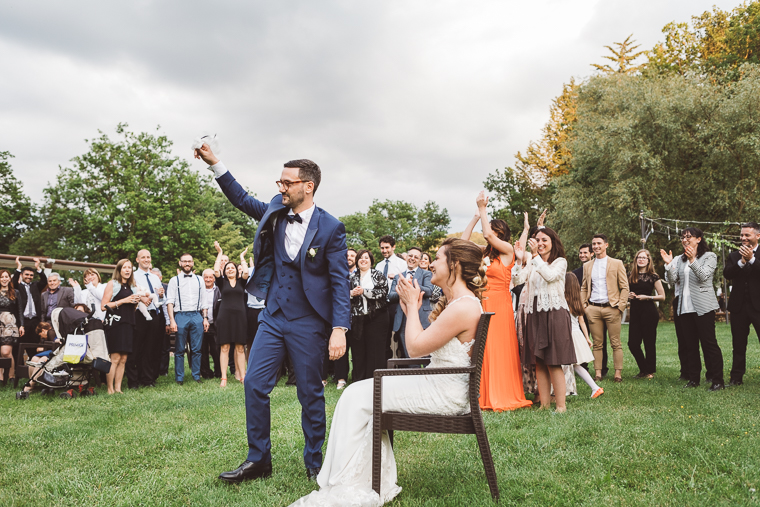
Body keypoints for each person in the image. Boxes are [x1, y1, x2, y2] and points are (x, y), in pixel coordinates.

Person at [195, 144, 350, 484]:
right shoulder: (274, 210)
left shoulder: (331, 228)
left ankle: (315, 461)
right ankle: (258, 459)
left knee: (310, 392)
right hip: (272, 316)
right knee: (254, 383)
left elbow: (340, 282)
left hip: (309, 321)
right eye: (279, 181)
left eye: (286, 182)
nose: (280, 187)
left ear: (307, 186)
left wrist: (339, 327)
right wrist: (216, 164)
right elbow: (241, 198)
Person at [290, 238, 486, 506]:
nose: (433, 264)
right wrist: (412, 307)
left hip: (442, 392)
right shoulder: (461, 302)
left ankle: (347, 481)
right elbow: (422, 343)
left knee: (356, 396)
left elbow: (415, 349)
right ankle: (358, 477)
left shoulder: (463, 306)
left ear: (455, 265)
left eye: (438, 258)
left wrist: (411, 306)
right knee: (356, 393)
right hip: (437, 382)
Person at [461, 191, 532, 412]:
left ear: (504, 235)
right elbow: (461, 243)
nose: (491, 234)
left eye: (496, 232)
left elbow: (489, 237)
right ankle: (481, 395)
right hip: (481, 303)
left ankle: (502, 393)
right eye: (491, 230)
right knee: (481, 348)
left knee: (498, 348)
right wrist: (475, 216)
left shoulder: (509, 252)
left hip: (500, 305)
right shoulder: (483, 254)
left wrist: (483, 208)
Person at [661, 228, 724, 390]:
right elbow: (672, 280)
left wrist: (693, 260)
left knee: (709, 344)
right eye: (683, 237)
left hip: (703, 307)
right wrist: (669, 265)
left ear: (698, 239)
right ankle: (694, 379)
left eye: (689, 237)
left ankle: (717, 380)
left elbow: (703, 276)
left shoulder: (709, 257)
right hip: (685, 307)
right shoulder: (680, 259)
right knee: (690, 346)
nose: (685, 239)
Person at [524, 227, 576, 412]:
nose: (540, 243)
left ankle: (561, 406)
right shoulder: (533, 261)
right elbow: (517, 280)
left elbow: (550, 276)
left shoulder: (560, 262)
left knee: (554, 360)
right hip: (535, 313)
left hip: (554, 313)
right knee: (539, 361)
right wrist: (519, 260)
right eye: (537, 240)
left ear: (552, 242)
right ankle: (544, 405)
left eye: (544, 240)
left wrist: (535, 258)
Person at [580, 234, 629, 383]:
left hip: (612, 308)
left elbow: (625, 287)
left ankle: (618, 374)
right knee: (597, 343)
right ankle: (598, 373)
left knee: (615, 343)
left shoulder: (616, 263)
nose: (596, 246)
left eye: (599, 243)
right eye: (594, 244)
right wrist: (585, 307)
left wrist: (620, 307)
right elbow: (584, 287)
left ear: (606, 245)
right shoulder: (587, 265)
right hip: (593, 309)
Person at [723, 222, 760, 386]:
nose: (743, 238)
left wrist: (752, 259)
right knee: (738, 344)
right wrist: (742, 262)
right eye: (742, 235)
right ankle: (736, 377)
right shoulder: (734, 255)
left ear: (757, 236)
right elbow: (727, 274)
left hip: (758, 306)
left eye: (747, 235)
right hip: (738, 307)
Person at [101, 259, 144, 395]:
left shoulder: (133, 286)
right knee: (115, 358)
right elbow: (104, 306)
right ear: (119, 270)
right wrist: (124, 301)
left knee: (124, 358)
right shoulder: (112, 284)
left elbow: (133, 307)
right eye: (124, 267)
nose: (127, 270)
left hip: (129, 323)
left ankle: (118, 388)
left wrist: (135, 302)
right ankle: (110, 389)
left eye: (129, 268)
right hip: (115, 324)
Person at [166, 253, 209, 385]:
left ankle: (196, 376)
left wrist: (205, 318)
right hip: (181, 315)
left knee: (197, 349)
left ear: (193, 263)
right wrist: (172, 320)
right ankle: (179, 378)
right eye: (184, 261)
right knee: (179, 349)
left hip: (196, 315)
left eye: (189, 261)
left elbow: (204, 301)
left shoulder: (199, 280)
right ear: (180, 263)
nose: (187, 264)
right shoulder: (174, 280)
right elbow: (170, 302)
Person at [349, 249, 389, 382]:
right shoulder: (352, 277)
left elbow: (383, 292)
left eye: (366, 258)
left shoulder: (378, 275)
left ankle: (375, 379)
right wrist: (351, 293)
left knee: (375, 349)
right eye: (361, 258)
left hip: (377, 317)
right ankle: (358, 380)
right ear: (357, 261)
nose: (363, 260)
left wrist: (364, 291)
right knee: (359, 350)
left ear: (371, 261)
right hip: (358, 318)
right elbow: (343, 295)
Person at [213, 242, 250, 387]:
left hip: (240, 317)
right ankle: (224, 378)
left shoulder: (242, 282)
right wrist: (220, 253)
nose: (230, 270)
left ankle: (243, 377)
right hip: (224, 317)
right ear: (225, 271)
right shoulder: (221, 282)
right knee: (225, 347)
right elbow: (216, 270)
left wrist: (242, 257)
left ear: (236, 270)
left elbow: (246, 272)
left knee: (240, 348)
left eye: (232, 268)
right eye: (227, 268)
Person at [129, 249, 165, 389]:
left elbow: (161, 298)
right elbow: (130, 292)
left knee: (152, 348)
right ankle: (134, 380)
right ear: (137, 260)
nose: (146, 259)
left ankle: (148, 379)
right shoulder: (133, 276)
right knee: (137, 347)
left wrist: (161, 295)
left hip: (154, 314)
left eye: (148, 257)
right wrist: (140, 297)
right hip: (138, 314)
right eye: (143, 257)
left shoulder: (155, 277)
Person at [388, 247, 433, 358]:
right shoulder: (399, 276)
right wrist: (402, 290)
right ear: (407, 257)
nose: (412, 258)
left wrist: (410, 283)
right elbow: (390, 296)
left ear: (419, 260)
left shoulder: (426, 274)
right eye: (410, 256)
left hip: (422, 318)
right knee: (409, 356)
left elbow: (429, 291)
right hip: (403, 319)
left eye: (416, 257)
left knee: (427, 355)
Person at [627, 249, 665, 379]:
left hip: (649, 311)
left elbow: (662, 296)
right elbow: (625, 292)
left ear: (648, 261)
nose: (641, 259)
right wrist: (629, 295)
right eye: (639, 257)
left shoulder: (653, 276)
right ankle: (643, 368)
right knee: (632, 343)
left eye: (644, 257)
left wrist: (648, 297)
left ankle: (649, 371)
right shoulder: (630, 275)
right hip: (635, 311)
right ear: (636, 259)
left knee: (649, 342)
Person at [564, 274, 603, 398]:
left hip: (568, 335)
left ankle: (591, 388)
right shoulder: (577, 301)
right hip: (577, 333)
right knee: (574, 364)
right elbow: (581, 321)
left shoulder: (563, 300)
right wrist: (586, 337)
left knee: (569, 364)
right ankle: (591, 388)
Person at [376, 236, 408, 360]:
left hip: (396, 304)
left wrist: (396, 277)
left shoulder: (402, 264)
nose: (384, 250)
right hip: (381, 305)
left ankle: (403, 368)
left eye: (387, 248)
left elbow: (407, 281)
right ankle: (385, 366)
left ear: (393, 247)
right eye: (382, 248)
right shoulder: (379, 266)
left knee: (400, 336)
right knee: (384, 337)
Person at [12, 257, 47, 353]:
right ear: (22, 275)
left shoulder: (35, 286)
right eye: (26, 274)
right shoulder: (18, 287)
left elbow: (44, 281)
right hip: (23, 321)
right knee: (19, 347)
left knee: (33, 346)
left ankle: (32, 365)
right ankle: (20, 367)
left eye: (31, 275)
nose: (29, 276)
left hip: (35, 321)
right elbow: (13, 282)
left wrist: (38, 268)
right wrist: (18, 267)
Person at [0, 269, 23, 384]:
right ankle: (0, 378)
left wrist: (21, 325)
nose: (4, 279)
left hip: (9, 324)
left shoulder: (15, 292)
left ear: (10, 278)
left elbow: (20, 310)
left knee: (6, 352)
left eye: (6, 277)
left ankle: (11, 376)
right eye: (2, 277)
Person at [200, 269, 222, 379]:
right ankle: (206, 373)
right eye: (206, 277)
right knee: (202, 350)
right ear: (202, 278)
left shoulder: (219, 290)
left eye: (210, 277)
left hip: (215, 324)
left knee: (216, 350)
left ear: (214, 278)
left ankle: (218, 372)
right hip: (201, 323)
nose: (208, 279)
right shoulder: (199, 290)